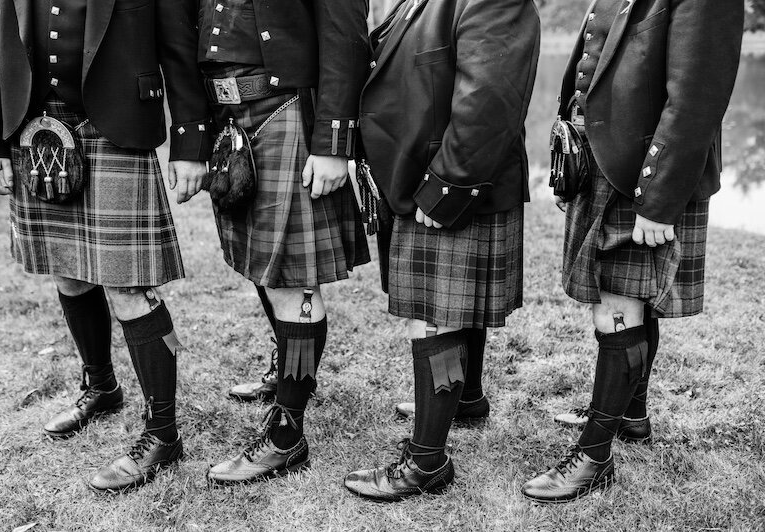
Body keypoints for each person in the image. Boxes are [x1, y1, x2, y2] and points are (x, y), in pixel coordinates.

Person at [0, 0, 211, 493]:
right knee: (67, 269)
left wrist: (191, 142)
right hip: (34, 127)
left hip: (118, 126)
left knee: (129, 286)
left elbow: (178, 46)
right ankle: (101, 386)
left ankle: (162, 433)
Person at [521, 0, 744, 503]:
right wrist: (569, 155)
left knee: (617, 303)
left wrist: (659, 199)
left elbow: (697, 97)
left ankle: (594, 455)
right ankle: (629, 415)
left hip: (644, 171)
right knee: (628, 299)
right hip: (604, 162)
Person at [344, 0, 540, 501]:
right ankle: (466, 398)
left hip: (452, 180)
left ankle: (426, 462)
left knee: (434, 315)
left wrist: (448, 184)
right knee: (451, 308)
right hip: (420, 175)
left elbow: (491, 98)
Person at [198, 0, 371, 486]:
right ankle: (286, 373)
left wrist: (333, 142)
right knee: (262, 264)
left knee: (292, 278)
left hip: (286, 109)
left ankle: (286, 435)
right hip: (231, 115)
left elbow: (345, 32)